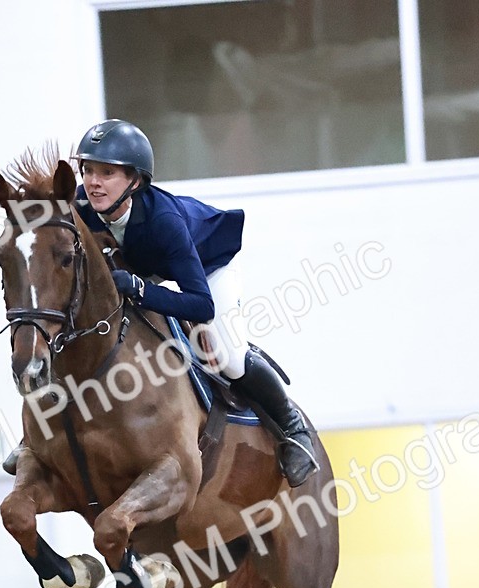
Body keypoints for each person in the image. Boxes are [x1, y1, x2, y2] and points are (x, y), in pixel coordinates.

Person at [71, 119, 319, 488]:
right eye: (88, 170)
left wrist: (139, 288)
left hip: (207, 265)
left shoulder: (164, 222)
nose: (93, 182)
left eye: (107, 173)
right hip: (147, 263)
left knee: (226, 357)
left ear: (135, 181)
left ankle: (293, 428)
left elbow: (201, 305)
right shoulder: (82, 204)